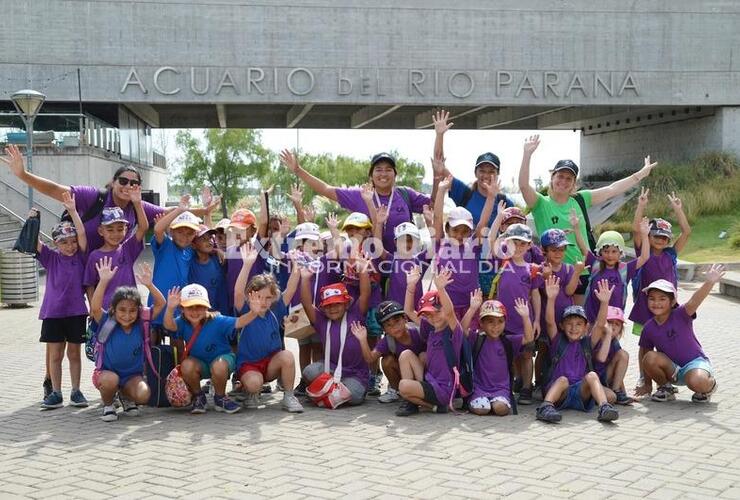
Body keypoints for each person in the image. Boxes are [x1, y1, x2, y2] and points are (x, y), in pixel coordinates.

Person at [517, 135, 658, 302]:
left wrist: (640, 175)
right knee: (552, 320)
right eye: (560, 176)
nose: (563, 181)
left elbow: (612, 189)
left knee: (580, 321)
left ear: (574, 182)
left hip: (583, 269)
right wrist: (527, 155)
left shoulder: (580, 199)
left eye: (569, 178)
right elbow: (524, 186)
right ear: (552, 178)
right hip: (554, 270)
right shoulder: (540, 203)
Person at [1, 145, 187, 251]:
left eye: (133, 183)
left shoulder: (137, 206)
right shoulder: (93, 196)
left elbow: (169, 213)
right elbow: (54, 189)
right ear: (113, 182)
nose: (128, 186)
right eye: (123, 181)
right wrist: (23, 175)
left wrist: (200, 211)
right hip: (80, 262)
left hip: (111, 268)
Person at [279, 149, 430, 253]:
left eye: (388, 169)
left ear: (395, 174)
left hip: (402, 264)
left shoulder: (405, 194)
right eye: (378, 169)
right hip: (369, 267)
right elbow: (326, 189)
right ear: (371, 175)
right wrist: (298, 170)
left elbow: (434, 202)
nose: (383, 173)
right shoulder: (360, 195)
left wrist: (437, 175)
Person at [90, 258, 166, 422]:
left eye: (132, 311)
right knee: (111, 380)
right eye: (122, 310)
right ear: (113, 309)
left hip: (132, 376)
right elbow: (95, 308)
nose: (127, 315)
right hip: (107, 374)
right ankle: (108, 405)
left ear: (138, 311)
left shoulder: (142, 322)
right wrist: (103, 281)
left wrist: (149, 285)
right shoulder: (107, 321)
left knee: (143, 394)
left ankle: (126, 396)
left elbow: (161, 303)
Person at [635, 265, 725, 403]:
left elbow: (695, 300)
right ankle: (666, 388)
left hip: (694, 364)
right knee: (649, 357)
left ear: (672, 302)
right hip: (672, 370)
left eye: (662, 299)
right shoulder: (648, 327)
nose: (656, 303)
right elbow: (644, 355)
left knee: (697, 381)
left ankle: (708, 387)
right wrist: (647, 384)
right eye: (652, 298)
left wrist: (710, 282)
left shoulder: (682, 314)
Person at [535, 276, 619, 423]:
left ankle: (604, 408)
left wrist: (605, 302)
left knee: (593, 376)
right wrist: (551, 299)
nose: (574, 328)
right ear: (562, 325)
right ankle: (546, 407)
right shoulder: (557, 341)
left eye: (579, 324)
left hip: (580, 392)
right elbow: (549, 322)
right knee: (562, 380)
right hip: (560, 391)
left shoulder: (587, 343)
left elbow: (600, 325)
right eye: (569, 324)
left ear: (586, 327)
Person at [232, 246, 304, 412]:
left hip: (270, 365)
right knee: (254, 384)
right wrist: (247, 265)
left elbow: (291, 288)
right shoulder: (245, 310)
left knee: (287, 356)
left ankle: (288, 396)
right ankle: (249, 392)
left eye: (268, 298)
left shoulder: (276, 309)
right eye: (258, 297)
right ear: (250, 296)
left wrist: (296, 267)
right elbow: (237, 292)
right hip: (249, 366)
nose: (263, 302)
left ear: (274, 298)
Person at [163, 284, 252, 414]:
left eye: (199, 307)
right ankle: (199, 397)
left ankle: (220, 398)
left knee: (219, 366)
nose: (194, 312)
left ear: (207, 306)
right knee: (186, 365)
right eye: (189, 307)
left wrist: (254, 311)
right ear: (182, 308)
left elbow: (240, 322)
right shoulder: (182, 322)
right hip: (200, 364)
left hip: (223, 360)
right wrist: (170, 308)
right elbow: (169, 325)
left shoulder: (218, 320)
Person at [37, 193, 89, 410]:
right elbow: (32, 240)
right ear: (56, 244)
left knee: (74, 353)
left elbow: (84, 234)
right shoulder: (50, 257)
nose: (70, 246)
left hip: (76, 312)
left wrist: (74, 211)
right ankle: (56, 392)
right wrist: (33, 218)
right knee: (55, 354)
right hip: (53, 313)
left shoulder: (81, 256)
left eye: (72, 241)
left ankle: (76, 391)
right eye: (64, 243)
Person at [299, 257, 372, 408]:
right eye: (328, 306)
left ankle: (325, 392)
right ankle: (331, 393)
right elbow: (306, 303)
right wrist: (305, 279)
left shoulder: (356, 314)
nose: (332, 309)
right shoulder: (322, 320)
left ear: (346, 304)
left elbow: (365, 294)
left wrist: (363, 270)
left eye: (337, 304)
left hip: (355, 375)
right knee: (309, 371)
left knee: (355, 395)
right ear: (323, 308)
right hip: (330, 369)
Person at [485, 223, 543, 404]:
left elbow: (535, 295)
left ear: (529, 246)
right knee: (508, 354)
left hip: (525, 320)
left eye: (522, 243)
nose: (518, 247)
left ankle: (526, 388)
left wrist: (537, 320)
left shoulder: (532, 269)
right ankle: (507, 385)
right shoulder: (503, 261)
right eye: (514, 242)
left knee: (526, 355)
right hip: (503, 321)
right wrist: (499, 219)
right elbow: (491, 240)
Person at [430, 110, 514, 226]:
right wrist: (439, 135)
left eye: (491, 172)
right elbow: (439, 164)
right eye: (482, 171)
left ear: (498, 173)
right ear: (475, 173)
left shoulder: (504, 202)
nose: (486, 175)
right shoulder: (464, 193)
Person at [396, 269, 463, 416]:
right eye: (428, 315)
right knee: (406, 355)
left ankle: (417, 402)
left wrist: (440, 288)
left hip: (444, 389)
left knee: (403, 386)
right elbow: (408, 310)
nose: (433, 318)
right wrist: (411, 286)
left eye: (437, 312)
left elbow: (450, 312)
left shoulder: (454, 332)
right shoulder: (430, 328)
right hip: (430, 381)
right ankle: (424, 404)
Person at [432, 170, 495, 323]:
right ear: (447, 229)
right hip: (447, 305)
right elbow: (437, 217)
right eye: (455, 230)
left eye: (465, 231)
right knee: (449, 342)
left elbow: (483, 223)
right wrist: (441, 191)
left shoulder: (473, 246)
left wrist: (491, 196)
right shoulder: (440, 243)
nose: (460, 235)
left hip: (471, 304)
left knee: (469, 342)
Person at [630, 189, 691, 336]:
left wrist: (678, 210)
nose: (660, 240)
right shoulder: (644, 251)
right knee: (645, 343)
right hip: (645, 305)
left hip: (667, 305)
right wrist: (641, 205)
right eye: (656, 236)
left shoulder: (670, 254)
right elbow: (636, 230)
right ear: (648, 235)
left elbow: (686, 232)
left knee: (666, 340)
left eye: (664, 238)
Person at [462, 294, 534, 416]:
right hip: (479, 388)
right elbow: (462, 330)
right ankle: (472, 402)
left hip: (501, 390)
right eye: (490, 321)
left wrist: (526, 317)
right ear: (481, 324)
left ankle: (491, 403)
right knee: (482, 409)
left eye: (500, 321)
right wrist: (472, 308)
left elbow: (528, 338)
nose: (496, 326)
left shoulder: (508, 341)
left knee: (500, 409)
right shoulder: (477, 339)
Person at [82, 189, 149, 310]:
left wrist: (138, 204)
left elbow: (143, 227)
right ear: (101, 231)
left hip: (130, 310)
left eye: (119, 229)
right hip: (106, 311)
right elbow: (90, 285)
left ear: (126, 230)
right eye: (110, 229)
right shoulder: (94, 256)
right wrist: (94, 308)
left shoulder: (128, 249)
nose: (115, 234)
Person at [350, 300, 427, 404]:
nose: (394, 327)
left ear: (405, 318)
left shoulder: (418, 332)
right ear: (384, 330)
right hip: (404, 374)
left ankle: (425, 390)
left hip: (424, 372)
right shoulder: (388, 341)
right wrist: (363, 340)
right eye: (389, 325)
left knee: (424, 355)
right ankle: (396, 390)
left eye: (397, 321)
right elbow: (370, 358)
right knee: (387, 361)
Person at [580, 218, 650, 324]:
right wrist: (576, 228)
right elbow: (583, 248)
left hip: (614, 321)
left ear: (620, 252)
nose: (610, 255)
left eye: (614, 251)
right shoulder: (595, 265)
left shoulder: (625, 269)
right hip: (592, 319)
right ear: (600, 252)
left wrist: (645, 236)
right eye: (606, 251)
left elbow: (644, 257)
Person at [150, 195, 199, 336]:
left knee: (177, 338)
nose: (185, 236)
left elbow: (207, 241)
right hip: (158, 300)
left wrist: (217, 250)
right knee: (152, 338)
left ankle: (178, 359)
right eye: (180, 232)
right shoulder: (166, 245)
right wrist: (180, 209)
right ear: (171, 231)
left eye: (190, 233)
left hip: (178, 301)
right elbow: (158, 229)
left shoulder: (190, 249)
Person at [593, 306, 633, 405]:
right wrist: (608, 335)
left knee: (623, 354)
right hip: (592, 380)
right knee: (611, 398)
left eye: (617, 324)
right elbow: (601, 359)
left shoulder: (614, 342)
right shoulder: (595, 339)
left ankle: (617, 391)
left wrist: (624, 394)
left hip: (605, 377)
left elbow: (619, 369)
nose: (613, 326)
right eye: (610, 322)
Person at [189, 225, 229, 316]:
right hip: (201, 315)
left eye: (211, 238)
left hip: (223, 313)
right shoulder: (189, 263)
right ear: (193, 245)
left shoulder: (219, 259)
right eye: (203, 239)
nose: (209, 241)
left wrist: (217, 250)